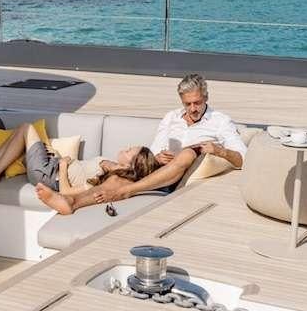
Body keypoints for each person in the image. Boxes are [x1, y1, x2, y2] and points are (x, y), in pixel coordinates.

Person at [47, 72, 246, 213]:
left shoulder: (220, 121)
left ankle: (126, 192)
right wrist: (159, 156)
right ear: (181, 100)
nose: (193, 109)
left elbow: (242, 159)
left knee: (187, 153)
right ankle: (72, 201)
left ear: (206, 97)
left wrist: (219, 151)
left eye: (198, 103)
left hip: (179, 176)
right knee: (116, 178)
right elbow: (155, 149)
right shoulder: (171, 117)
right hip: (157, 171)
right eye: (188, 104)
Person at [0, 122, 158, 197]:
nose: (125, 149)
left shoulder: (109, 179)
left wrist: (61, 166)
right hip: (51, 167)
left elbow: (67, 192)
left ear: (130, 164)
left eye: (129, 151)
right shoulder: (111, 167)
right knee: (21, 131)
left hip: (48, 174)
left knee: (27, 128)